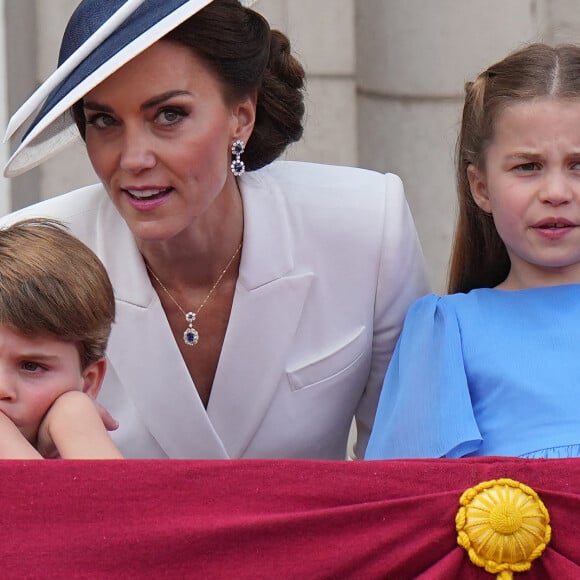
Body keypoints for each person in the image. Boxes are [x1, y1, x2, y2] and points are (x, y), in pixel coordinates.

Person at [2, 0, 428, 460]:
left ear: (240, 118)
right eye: (104, 121)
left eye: (168, 115)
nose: (132, 159)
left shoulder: (365, 223)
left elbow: (406, 468)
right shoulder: (27, 255)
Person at [365, 42, 580, 460]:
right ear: (481, 188)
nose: (556, 192)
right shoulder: (448, 331)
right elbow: (413, 504)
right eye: (527, 166)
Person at [0, 218, 122, 459]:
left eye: (31, 366)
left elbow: (119, 498)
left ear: (88, 382)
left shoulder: (76, 425)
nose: (2, 388)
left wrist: (78, 427)